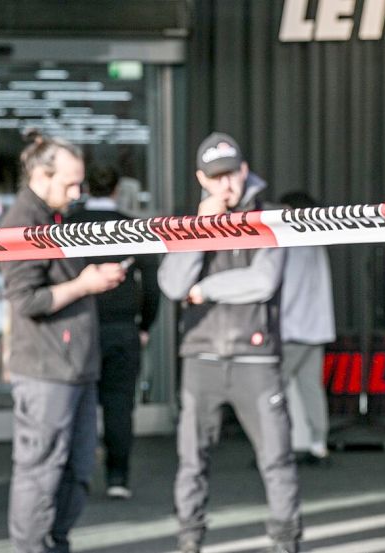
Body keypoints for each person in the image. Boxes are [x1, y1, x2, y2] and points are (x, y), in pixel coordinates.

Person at [157, 132, 301, 553]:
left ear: (244, 170)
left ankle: (286, 543)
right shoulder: (192, 222)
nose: (226, 185)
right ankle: (189, 541)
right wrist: (200, 230)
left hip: (255, 357)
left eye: (231, 174)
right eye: (216, 177)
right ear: (203, 178)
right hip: (200, 356)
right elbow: (171, 284)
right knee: (191, 462)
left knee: (276, 459)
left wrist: (204, 290)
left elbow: (262, 281)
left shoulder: (272, 216)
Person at [0, 132, 125, 553]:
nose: (77, 194)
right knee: (41, 471)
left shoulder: (53, 219)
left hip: (74, 369)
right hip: (46, 372)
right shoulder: (22, 223)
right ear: (41, 175)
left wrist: (87, 282)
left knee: (77, 469)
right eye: (70, 184)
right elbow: (26, 300)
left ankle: (54, 542)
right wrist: (84, 284)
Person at [67, 164, 160, 500]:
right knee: (119, 404)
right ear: (118, 189)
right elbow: (151, 285)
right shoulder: (132, 227)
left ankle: (77, 475)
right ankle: (118, 478)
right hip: (122, 328)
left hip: (78, 327)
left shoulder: (69, 225)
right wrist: (145, 325)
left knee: (78, 404)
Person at [279, 191, 336, 465]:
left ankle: (273, 446)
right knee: (311, 388)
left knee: (271, 387)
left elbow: (290, 290)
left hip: (294, 329)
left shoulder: (291, 243)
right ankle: (318, 445)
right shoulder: (316, 241)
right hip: (317, 328)